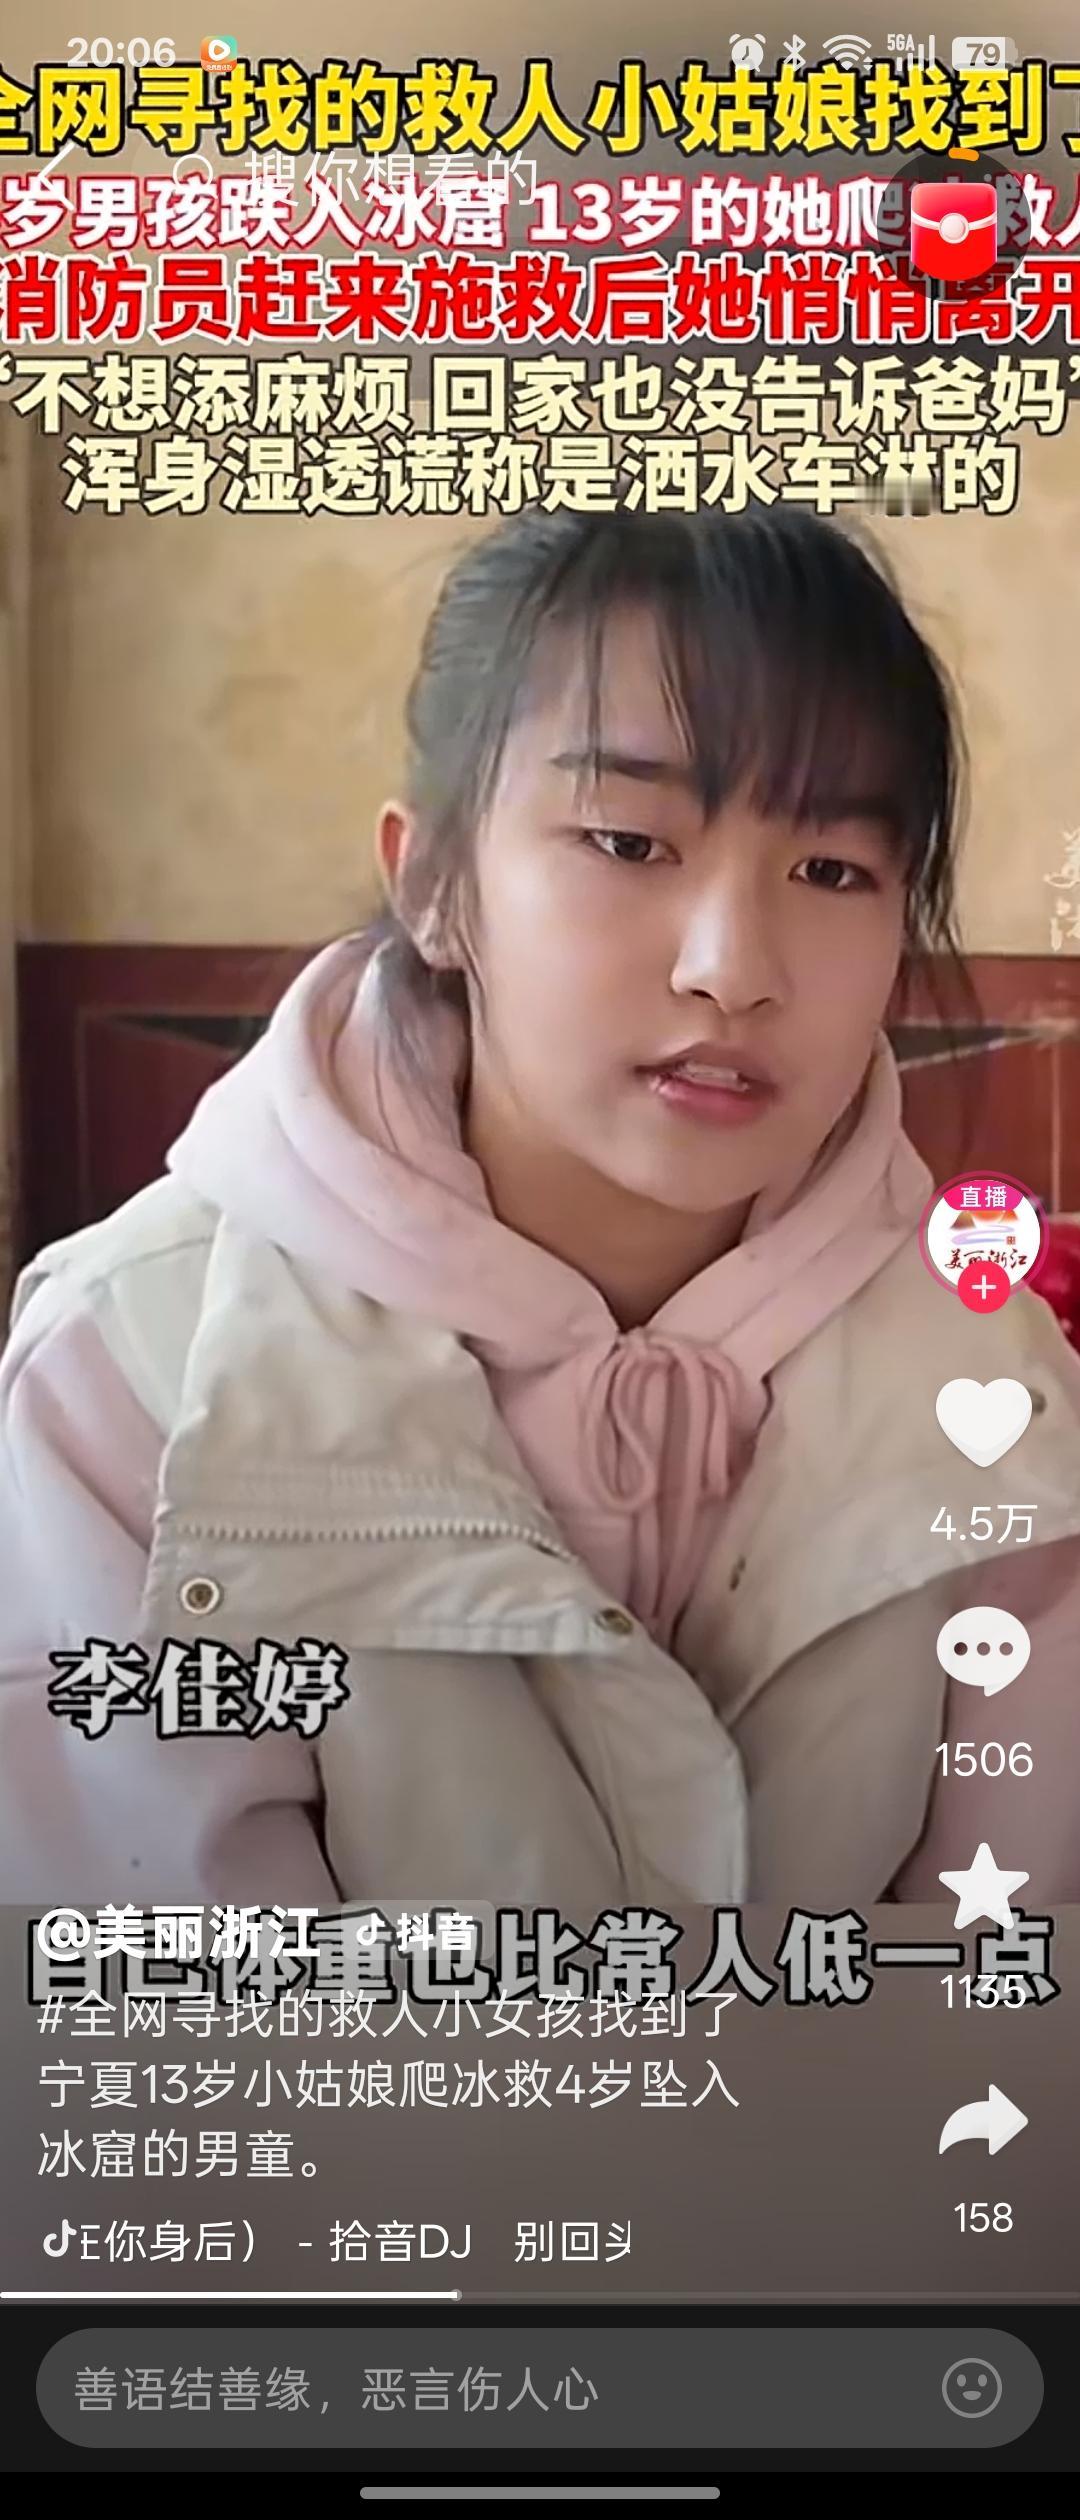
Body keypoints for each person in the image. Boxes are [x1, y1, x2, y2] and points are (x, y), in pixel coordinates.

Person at [2, 505, 1079, 1914]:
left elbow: (1005, 1985)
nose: (731, 967)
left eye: (832, 871)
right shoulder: (131, 1374)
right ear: (433, 885)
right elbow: (179, 2004)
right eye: (627, 841)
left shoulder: (993, 1386)